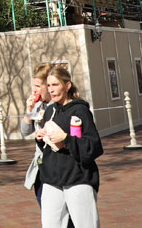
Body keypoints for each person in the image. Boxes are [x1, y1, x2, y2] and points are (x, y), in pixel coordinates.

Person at [35, 64, 103, 228]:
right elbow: (46, 145)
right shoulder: (50, 110)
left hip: (77, 178)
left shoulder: (79, 110)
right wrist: (40, 138)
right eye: (49, 85)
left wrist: (66, 139)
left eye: (55, 85)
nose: (51, 90)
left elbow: (94, 146)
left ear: (67, 85)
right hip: (51, 179)